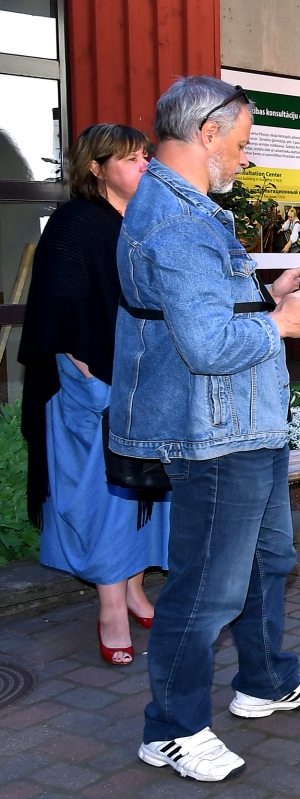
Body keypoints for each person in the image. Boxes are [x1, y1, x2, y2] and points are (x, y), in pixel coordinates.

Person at [110, 76, 300, 782]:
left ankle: (265, 681)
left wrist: (269, 297)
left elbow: (201, 311)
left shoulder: (186, 208)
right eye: (241, 144)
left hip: (245, 423)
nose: (246, 157)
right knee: (206, 588)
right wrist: (281, 324)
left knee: (269, 560)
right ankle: (172, 730)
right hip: (213, 432)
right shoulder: (178, 222)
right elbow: (208, 346)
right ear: (206, 133)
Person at [18, 123, 168, 667]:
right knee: (107, 498)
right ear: (96, 169)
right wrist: (93, 377)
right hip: (92, 387)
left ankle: (133, 591)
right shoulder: (75, 223)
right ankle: (110, 610)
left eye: (145, 155)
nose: (144, 165)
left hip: (139, 382)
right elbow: (59, 309)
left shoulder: (140, 220)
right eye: (129, 159)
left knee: (142, 490)